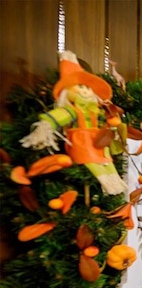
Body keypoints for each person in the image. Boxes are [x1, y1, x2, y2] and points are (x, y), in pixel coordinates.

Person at [20, 51, 127, 195]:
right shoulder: (73, 111)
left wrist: (113, 125)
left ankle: (115, 182)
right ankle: (108, 184)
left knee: (107, 162)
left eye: (87, 88)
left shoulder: (96, 111)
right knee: (91, 161)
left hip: (99, 142)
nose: (85, 91)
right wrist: (45, 127)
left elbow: (109, 122)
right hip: (82, 143)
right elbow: (59, 116)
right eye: (80, 87)